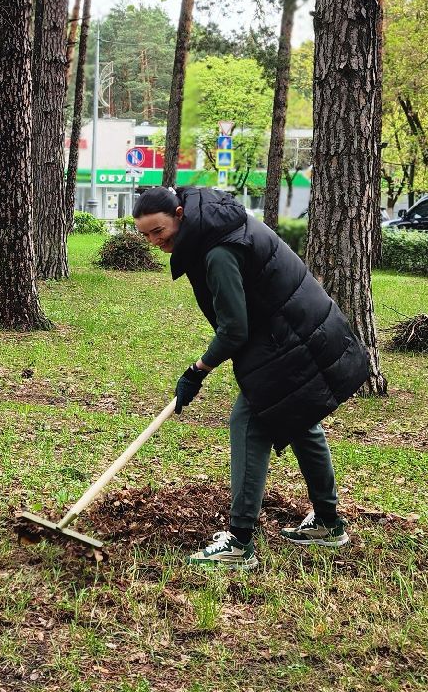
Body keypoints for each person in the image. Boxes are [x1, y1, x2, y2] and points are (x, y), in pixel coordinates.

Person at [130, 185, 371, 570]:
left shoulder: (218, 250)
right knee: (300, 422)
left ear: (179, 213)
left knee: (249, 421)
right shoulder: (217, 224)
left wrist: (197, 372)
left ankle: (239, 542)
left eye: (158, 231)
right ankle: (328, 521)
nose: (155, 242)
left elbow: (234, 331)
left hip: (289, 340)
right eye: (145, 235)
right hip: (301, 330)